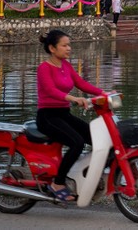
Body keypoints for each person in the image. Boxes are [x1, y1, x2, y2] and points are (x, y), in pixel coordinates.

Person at [36, 29, 106, 202]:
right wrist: (73, 98)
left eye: (69, 45)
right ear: (52, 48)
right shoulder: (44, 68)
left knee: (97, 139)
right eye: (65, 45)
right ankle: (58, 183)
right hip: (47, 116)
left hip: (63, 114)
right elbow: (50, 91)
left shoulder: (66, 65)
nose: (69, 49)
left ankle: (80, 176)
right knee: (77, 142)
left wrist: (103, 93)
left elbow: (80, 83)